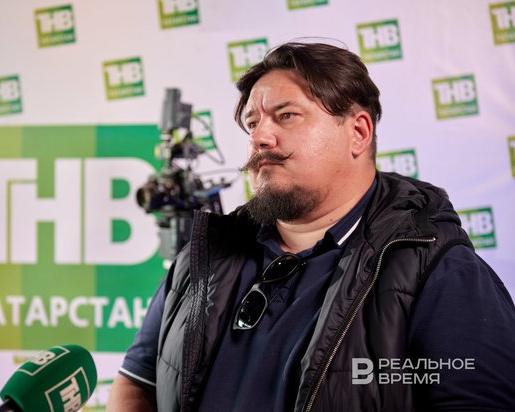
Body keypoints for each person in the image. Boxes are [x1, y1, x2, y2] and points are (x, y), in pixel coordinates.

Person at [107, 42, 515, 411]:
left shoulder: (439, 272)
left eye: (286, 116)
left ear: (358, 132)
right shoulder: (203, 258)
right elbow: (138, 383)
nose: (261, 137)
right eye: (252, 123)